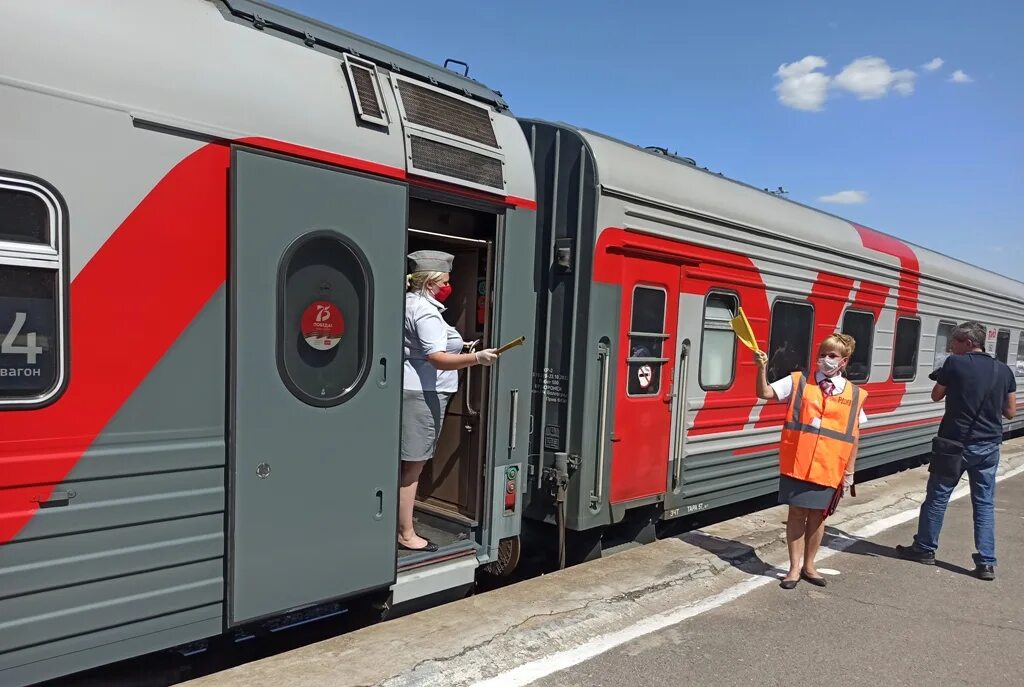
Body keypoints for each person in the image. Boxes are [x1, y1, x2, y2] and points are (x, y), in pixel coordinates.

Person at [897, 321, 1017, 580]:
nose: (951, 347)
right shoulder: (1004, 370)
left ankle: (925, 548)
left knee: (938, 498)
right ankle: (986, 562)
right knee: (984, 503)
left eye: (955, 342)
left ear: (969, 343)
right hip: (988, 447)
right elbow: (1010, 412)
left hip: (954, 445)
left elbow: (936, 396)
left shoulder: (954, 364)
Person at [400, 250, 498, 552]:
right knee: (413, 466)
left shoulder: (410, 302)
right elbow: (437, 359)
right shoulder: (426, 312)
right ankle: (405, 533)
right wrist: (476, 358)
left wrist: (462, 345)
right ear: (430, 282)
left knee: (406, 464)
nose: (448, 285)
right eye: (444, 280)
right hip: (424, 393)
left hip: (410, 390)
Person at [755, 333, 868, 589]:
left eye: (832, 356)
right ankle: (794, 568)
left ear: (844, 361)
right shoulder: (800, 382)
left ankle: (809, 565)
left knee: (818, 517)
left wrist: (850, 471)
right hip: (797, 462)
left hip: (829, 467)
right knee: (796, 514)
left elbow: (854, 436)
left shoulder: (855, 394)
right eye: (822, 354)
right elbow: (765, 392)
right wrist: (761, 369)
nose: (825, 360)